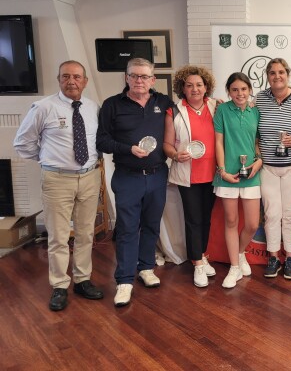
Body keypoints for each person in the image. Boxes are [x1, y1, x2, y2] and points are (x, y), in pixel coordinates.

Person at [14, 60, 103, 311]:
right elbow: (23, 143)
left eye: (76, 77)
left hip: (89, 177)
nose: (71, 81)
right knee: (58, 236)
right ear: (59, 79)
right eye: (65, 77)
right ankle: (60, 285)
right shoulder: (43, 107)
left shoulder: (91, 107)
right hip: (57, 179)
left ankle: (82, 280)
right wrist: (48, 161)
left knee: (86, 233)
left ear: (85, 81)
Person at [97, 57, 173, 307]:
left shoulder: (163, 102)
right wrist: (128, 148)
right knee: (128, 228)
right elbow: (102, 142)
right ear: (126, 78)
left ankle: (146, 268)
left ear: (153, 80)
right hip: (127, 176)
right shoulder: (111, 105)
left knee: (151, 224)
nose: (139, 80)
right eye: (134, 75)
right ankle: (125, 280)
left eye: (144, 76)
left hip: (158, 173)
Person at [163, 65, 218, 288]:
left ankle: (203, 255)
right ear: (182, 89)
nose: (195, 89)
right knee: (193, 219)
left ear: (206, 87)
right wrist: (175, 155)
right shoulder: (173, 112)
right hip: (189, 175)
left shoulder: (217, 106)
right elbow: (167, 144)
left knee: (206, 219)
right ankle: (197, 264)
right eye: (189, 85)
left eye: (199, 85)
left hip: (213, 174)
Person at [214, 72, 262, 289]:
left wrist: (259, 161)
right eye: (235, 90)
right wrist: (222, 171)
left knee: (252, 223)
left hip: (251, 174)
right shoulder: (222, 110)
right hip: (227, 176)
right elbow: (218, 142)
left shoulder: (256, 111)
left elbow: (258, 142)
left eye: (243, 89)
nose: (240, 93)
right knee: (231, 221)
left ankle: (240, 253)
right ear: (229, 92)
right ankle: (234, 266)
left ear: (250, 90)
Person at [255, 58, 291, 279]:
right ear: (267, 76)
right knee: (271, 214)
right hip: (268, 167)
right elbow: (253, 130)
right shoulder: (259, 99)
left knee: (289, 214)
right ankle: (274, 257)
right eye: (272, 73)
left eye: (281, 72)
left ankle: (290, 258)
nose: (277, 77)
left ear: (288, 74)